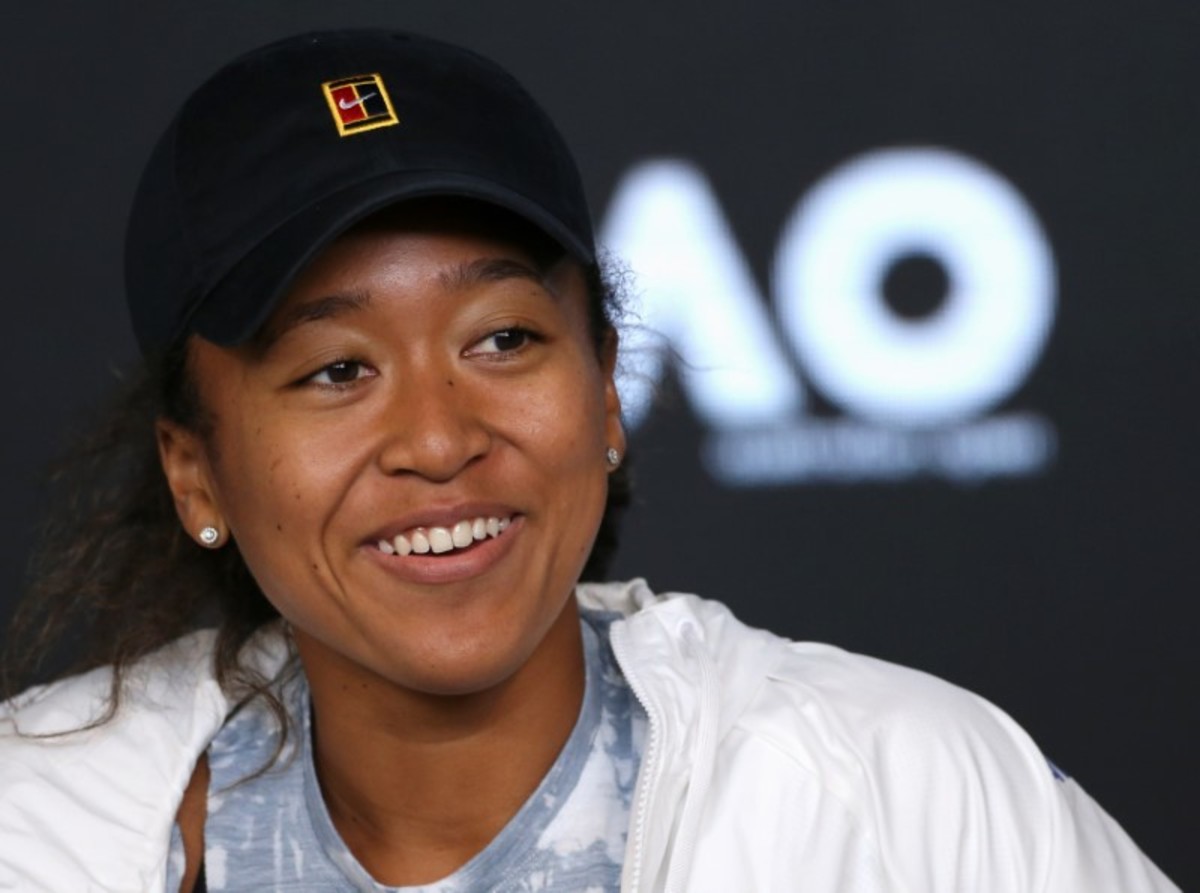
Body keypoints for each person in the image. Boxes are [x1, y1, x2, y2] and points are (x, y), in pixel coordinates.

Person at [0, 28, 1180, 893]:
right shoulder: (33, 827)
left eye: (503, 339)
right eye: (337, 369)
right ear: (194, 471)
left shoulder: (904, 794)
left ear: (606, 388)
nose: (439, 438)